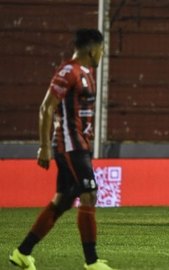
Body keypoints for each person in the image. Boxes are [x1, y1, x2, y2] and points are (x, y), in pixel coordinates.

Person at [9, 29, 115, 270]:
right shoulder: (69, 71)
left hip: (81, 145)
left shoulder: (88, 73)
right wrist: (44, 147)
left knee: (63, 201)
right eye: (102, 49)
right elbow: (46, 107)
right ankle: (92, 262)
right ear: (92, 49)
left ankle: (22, 253)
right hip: (70, 145)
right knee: (89, 193)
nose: (103, 53)